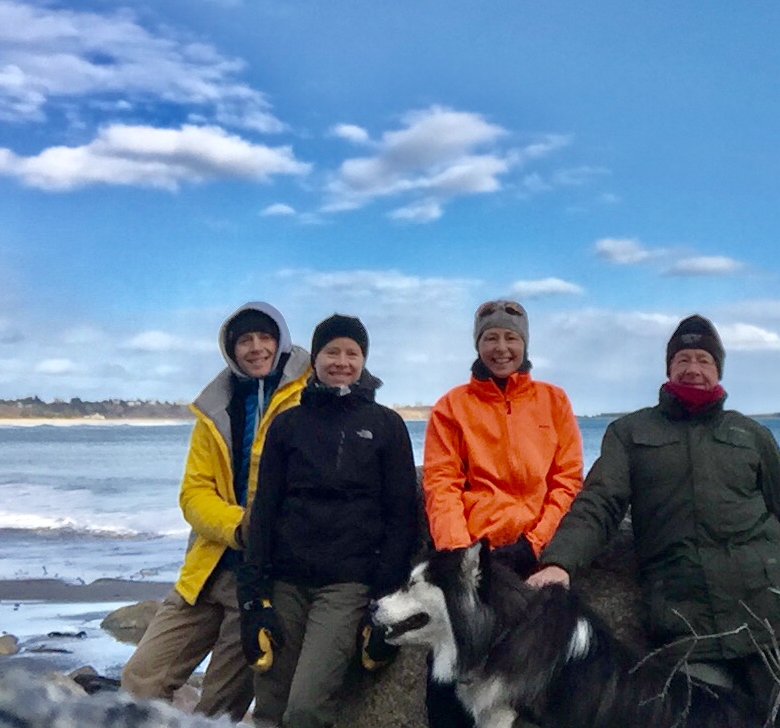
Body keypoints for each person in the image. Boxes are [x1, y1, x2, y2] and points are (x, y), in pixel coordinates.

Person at [529, 314, 780, 728]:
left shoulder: (751, 435)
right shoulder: (630, 433)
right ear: (668, 368)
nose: (693, 367)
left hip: (773, 622)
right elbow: (599, 502)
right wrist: (559, 563)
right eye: (683, 358)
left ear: (718, 369)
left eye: (704, 360)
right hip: (687, 630)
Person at [121, 302, 311, 720]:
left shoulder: (309, 397)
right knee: (141, 679)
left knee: (219, 707)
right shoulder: (215, 406)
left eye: (265, 337)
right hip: (208, 567)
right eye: (245, 340)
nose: (256, 347)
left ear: (281, 341)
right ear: (231, 349)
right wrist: (240, 526)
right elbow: (193, 493)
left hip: (265, 578)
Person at [237, 314, 418, 728]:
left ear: (364, 360)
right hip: (286, 583)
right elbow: (263, 510)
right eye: (331, 351)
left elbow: (402, 516)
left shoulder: (386, 426)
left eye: (352, 353)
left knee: (304, 710)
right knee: (269, 709)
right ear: (314, 359)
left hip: (346, 587)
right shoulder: (287, 425)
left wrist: (383, 604)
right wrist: (253, 599)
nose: (341, 361)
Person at [421, 299, 584, 727]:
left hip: (535, 554)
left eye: (511, 337)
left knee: (544, 673)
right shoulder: (451, 407)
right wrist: (464, 558)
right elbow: (441, 484)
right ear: (477, 344)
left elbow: (567, 481)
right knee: (447, 675)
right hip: (476, 556)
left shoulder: (554, 401)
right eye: (490, 337)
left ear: (524, 343)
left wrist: (534, 543)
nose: (501, 347)